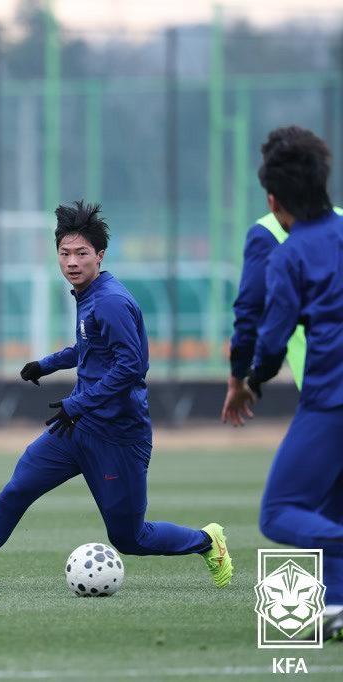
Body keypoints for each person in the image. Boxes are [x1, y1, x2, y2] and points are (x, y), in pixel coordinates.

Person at [0, 200, 232, 590]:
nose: (72, 262)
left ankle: (206, 541)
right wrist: (45, 365)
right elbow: (90, 347)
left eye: (81, 253)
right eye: (65, 253)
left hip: (116, 435)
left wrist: (78, 402)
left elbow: (131, 367)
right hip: (75, 427)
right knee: (15, 492)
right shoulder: (89, 295)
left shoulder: (111, 301)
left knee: (130, 538)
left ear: (100, 255)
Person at [245, 126, 343, 641]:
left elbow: (273, 340)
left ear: (274, 200)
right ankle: (337, 603)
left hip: (331, 399)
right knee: (331, 503)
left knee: (280, 513)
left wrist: (253, 380)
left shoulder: (291, 254)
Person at [222, 127, 343, 427]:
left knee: (298, 461)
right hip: (324, 393)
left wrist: (243, 379)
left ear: (272, 200)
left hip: (326, 393)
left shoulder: (270, 238)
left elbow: (252, 316)